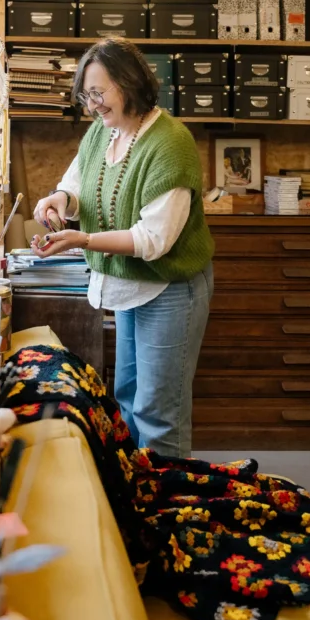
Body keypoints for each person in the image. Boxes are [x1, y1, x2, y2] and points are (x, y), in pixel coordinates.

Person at [32, 38, 214, 457]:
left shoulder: (170, 143)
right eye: (86, 95)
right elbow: (77, 188)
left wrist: (84, 239)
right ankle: (137, 497)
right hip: (130, 284)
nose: (92, 105)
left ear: (130, 83)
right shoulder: (102, 133)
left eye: (99, 93)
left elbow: (153, 239)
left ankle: (169, 512)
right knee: (129, 398)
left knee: (159, 412)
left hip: (170, 288)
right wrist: (59, 202)